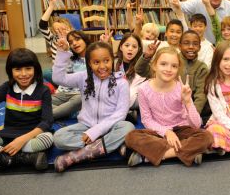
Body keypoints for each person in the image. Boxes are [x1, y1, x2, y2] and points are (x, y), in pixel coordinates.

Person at [52, 41, 135, 172]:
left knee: (128, 127)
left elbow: (120, 114)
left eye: (106, 61)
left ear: (112, 60)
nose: (102, 66)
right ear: (89, 64)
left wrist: (95, 132)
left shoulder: (121, 83)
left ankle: (78, 155)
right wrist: (62, 53)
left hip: (111, 127)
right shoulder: (83, 77)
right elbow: (58, 78)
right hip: (86, 125)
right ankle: (111, 145)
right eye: (96, 62)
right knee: (58, 138)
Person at [125, 47, 213, 167]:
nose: (168, 69)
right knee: (131, 137)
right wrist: (166, 132)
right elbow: (146, 120)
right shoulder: (143, 89)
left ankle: (150, 156)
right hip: (158, 132)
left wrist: (188, 102)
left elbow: (196, 124)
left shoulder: (181, 88)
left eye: (174, 66)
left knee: (206, 137)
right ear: (154, 65)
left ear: (178, 69)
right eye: (163, 64)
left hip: (181, 130)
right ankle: (188, 152)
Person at [0, 49, 54, 171]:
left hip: (32, 136)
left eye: (28, 68)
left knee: (48, 139)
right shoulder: (7, 87)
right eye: (17, 69)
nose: (23, 74)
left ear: (35, 69)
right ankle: (21, 158)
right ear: (10, 71)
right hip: (6, 135)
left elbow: (47, 122)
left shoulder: (43, 90)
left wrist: (22, 140)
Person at [135, 30, 209, 117]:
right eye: (186, 43)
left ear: (199, 47)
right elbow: (140, 70)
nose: (191, 47)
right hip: (164, 109)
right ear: (180, 46)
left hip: (187, 111)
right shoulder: (171, 61)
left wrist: (192, 116)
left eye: (195, 44)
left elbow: (200, 96)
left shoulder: (202, 68)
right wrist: (147, 56)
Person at [51, 30, 89, 120]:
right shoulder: (70, 57)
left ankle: (48, 116)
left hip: (79, 95)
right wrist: (63, 51)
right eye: (71, 42)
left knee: (79, 99)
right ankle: (63, 112)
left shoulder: (93, 57)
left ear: (85, 39)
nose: (74, 44)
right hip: (65, 93)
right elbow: (59, 76)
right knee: (43, 100)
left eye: (77, 39)